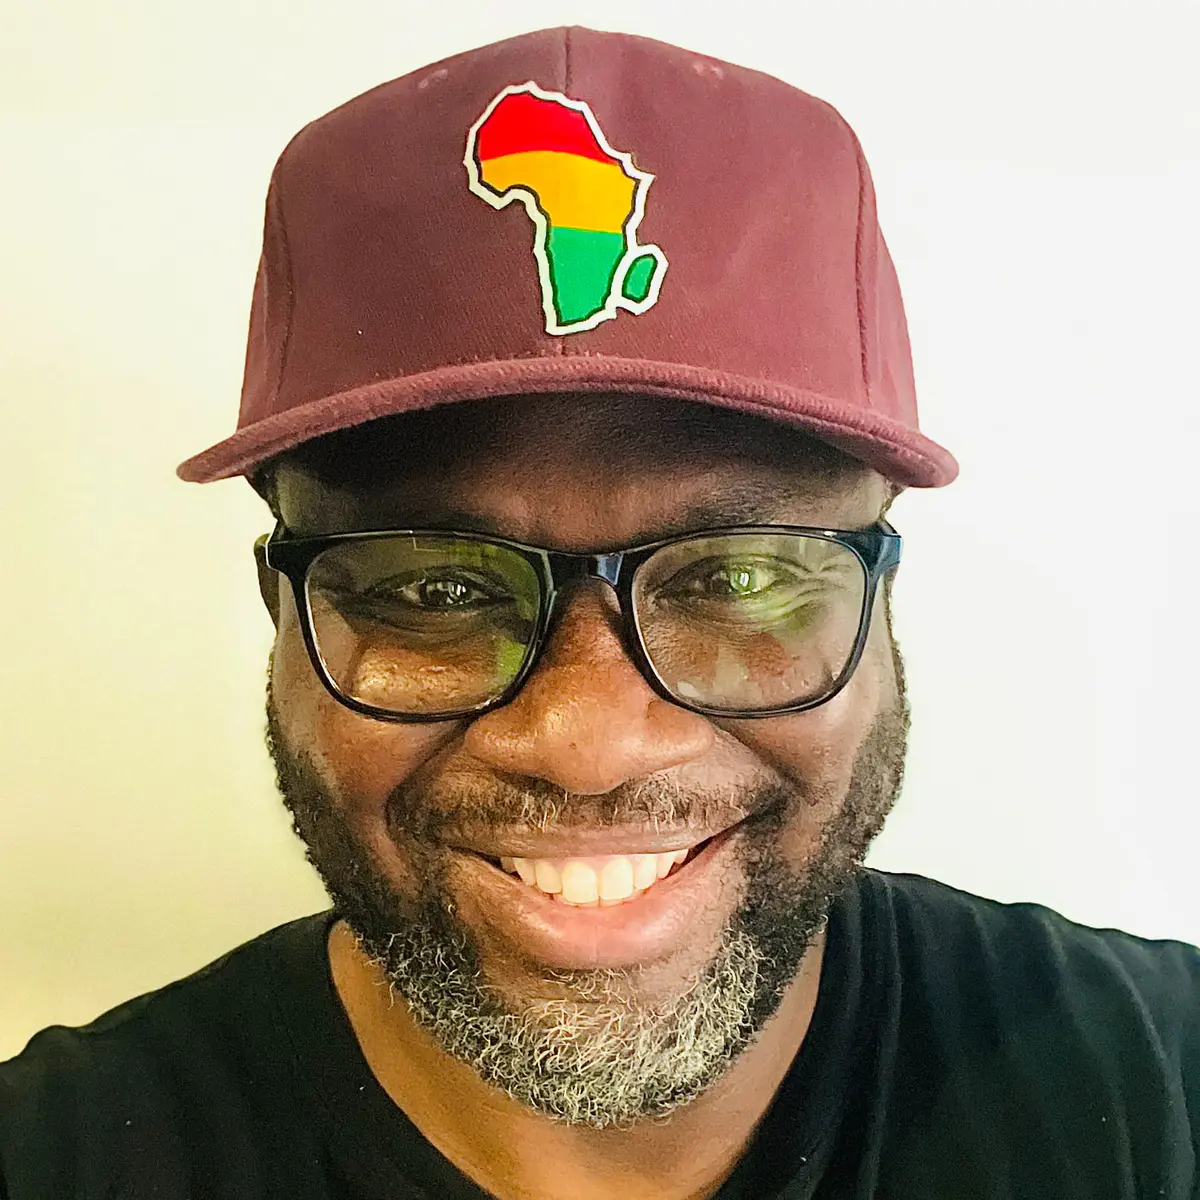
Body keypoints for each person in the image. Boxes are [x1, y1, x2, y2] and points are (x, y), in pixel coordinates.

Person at [1, 25, 1196, 1200]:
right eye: (434, 588)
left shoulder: (1163, 1083)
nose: (588, 746)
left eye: (738, 576)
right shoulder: (55, 1155)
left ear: (881, 607)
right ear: (283, 620)